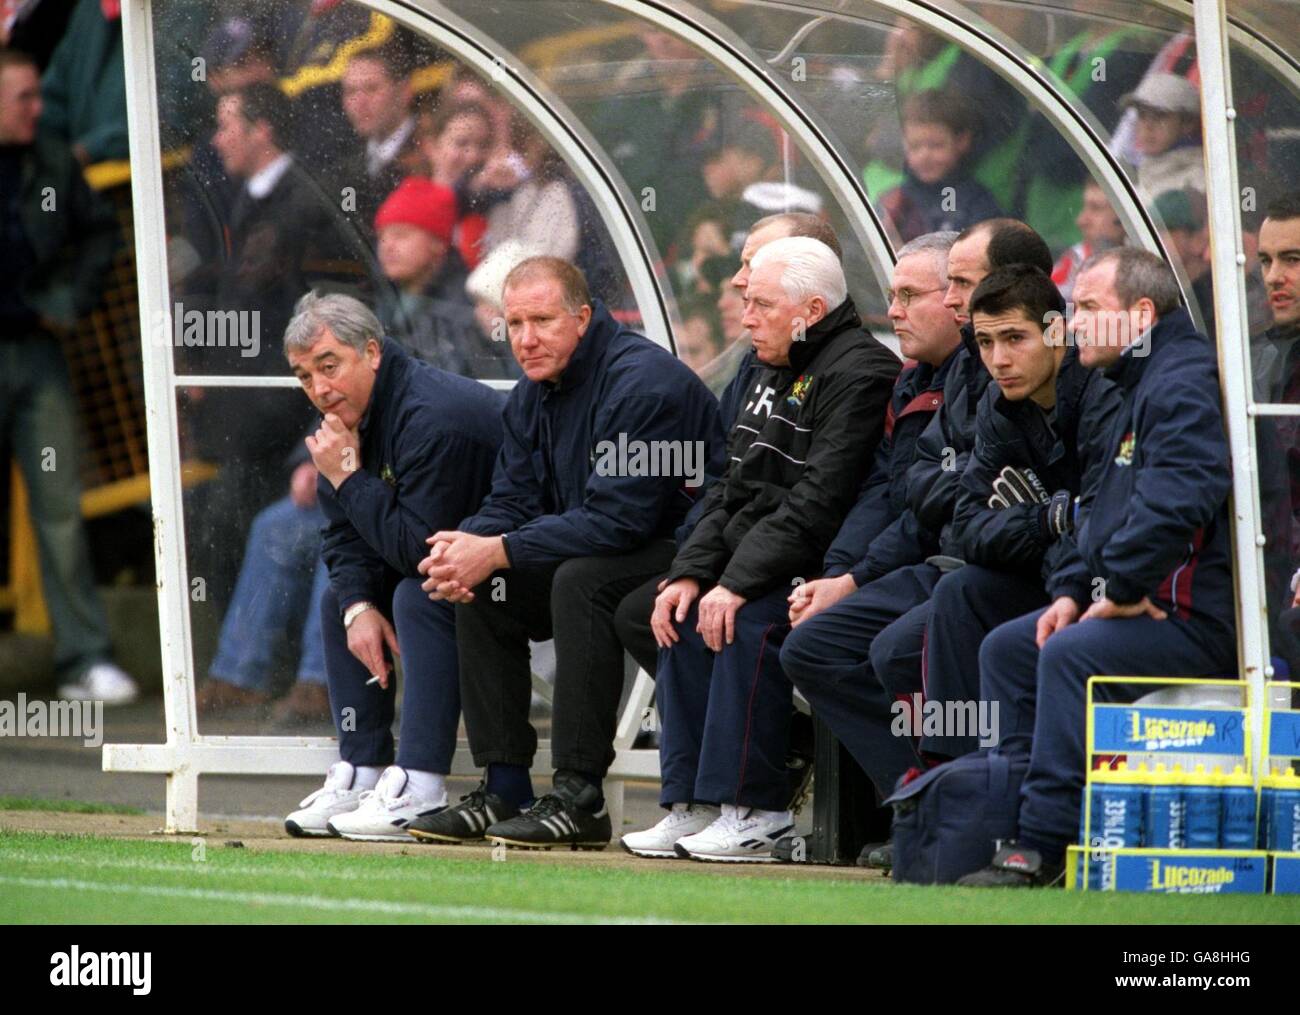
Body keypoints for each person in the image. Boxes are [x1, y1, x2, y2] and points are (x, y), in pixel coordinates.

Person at [404, 256, 725, 850]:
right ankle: (504, 786)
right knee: (484, 590)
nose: (525, 339)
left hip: (687, 551)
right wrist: (465, 547)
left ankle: (580, 796)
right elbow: (512, 498)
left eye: (542, 321)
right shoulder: (533, 393)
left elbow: (620, 520)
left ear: (582, 317)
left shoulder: (642, 383)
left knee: (578, 581)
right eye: (515, 323)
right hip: (603, 539)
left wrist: (498, 549)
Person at [960, 248, 1236, 887]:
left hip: (1198, 615)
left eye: (1087, 308)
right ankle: (1004, 824)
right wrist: (1071, 591)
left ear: (1140, 314)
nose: (1072, 323)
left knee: (1072, 654)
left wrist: (1125, 586)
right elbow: (1104, 514)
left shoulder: (1179, 379)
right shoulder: (1133, 382)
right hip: (1153, 599)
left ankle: (1044, 845)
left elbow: (1185, 493)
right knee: (1012, 646)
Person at [623, 236, 899, 862]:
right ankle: (691, 802)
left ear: (812, 309)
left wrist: (735, 583)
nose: (745, 318)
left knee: (742, 620)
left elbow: (819, 501)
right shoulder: (769, 368)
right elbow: (730, 486)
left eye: (762, 305)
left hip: (822, 564)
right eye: (747, 303)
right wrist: (691, 574)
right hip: (764, 557)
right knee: (680, 614)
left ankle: (756, 811)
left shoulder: (863, 372)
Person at [280, 292, 503, 840]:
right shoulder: (344, 417)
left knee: (413, 593)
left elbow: (416, 554)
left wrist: (348, 478)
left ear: (372, 352)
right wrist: (358, 607)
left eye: (329, 366)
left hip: (522, 568)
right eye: (305, 376)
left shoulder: (433, 416)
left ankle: (421, 784)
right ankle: (364, 769)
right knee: (343, 600)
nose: (320, 389)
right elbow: (344, 535)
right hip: (447, 565)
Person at [917, 265, 1121, 761]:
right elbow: (967, 527)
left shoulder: (1101, 393)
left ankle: (1005, 779)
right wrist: (1045, 519)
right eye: (985, 343)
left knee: (995, 641)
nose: (998, 360)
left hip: (1102, 583)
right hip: (1046, 567)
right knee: (960, 589)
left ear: (1057, 331)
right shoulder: (999, 404)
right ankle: (955, 777)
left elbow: (1101, 518)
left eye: (1014, 338)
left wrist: (1056, 525)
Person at [0, 45, 134, 704]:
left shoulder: (51, 157)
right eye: (23, 96)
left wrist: (67, 301)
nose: (38, 108)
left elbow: (100, 234)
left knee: (59, 503)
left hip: (36, 352)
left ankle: (84, 657)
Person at [370, 175, 511, 378]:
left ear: (438, 244)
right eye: (382, 236)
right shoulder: (381, 297)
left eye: (401, 235)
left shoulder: (468, 309)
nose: (387, 246)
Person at [877, 90, 1002, 242]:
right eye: (914, 146)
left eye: (936, 145)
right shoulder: (896, 199)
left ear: (962, 141)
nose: (924, 156)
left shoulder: (976, 203)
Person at [334, 43, 419, 232]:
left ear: (405, 91)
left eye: (372, 89)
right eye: (351, 92)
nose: (360, 103)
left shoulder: (432, 152)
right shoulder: (347, 164)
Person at [1121, 72, 1206, 199]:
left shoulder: (1197, 181)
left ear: (1188, 123)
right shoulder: (1145, 173)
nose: (1147, 126)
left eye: (1159, 115)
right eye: (1142, 115)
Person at [1051, 178, 1125, 302]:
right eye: (1085, 208)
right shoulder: (1075, 260)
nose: (1081, 221)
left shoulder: (1145, 264)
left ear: (1123, 217)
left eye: (1095, 208)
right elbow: (1050, 309)